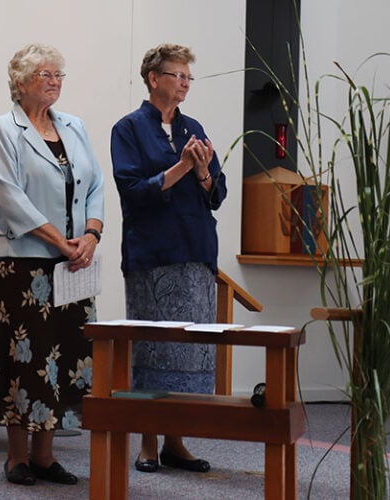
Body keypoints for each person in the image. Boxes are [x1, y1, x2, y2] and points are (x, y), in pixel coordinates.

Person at [0, 43, 104, 486]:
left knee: (64, 355)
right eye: (45, 74)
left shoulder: (75, 127)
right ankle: (16, 456)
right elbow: (9, 196)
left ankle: (45, 456)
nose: (54, 81)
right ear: (20, 82)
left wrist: (91, 235)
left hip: (72, 263)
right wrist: (60, 241)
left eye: (58, 74)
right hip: (19, 264)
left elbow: (96, 184)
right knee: (23, 358)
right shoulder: (3, 130)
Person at [110, 43, 227, 474]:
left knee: (190, 352)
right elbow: (132, 192)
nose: (184, 83)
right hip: (152, 255)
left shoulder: (193, 127)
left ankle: (177, 441)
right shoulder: (128, 129)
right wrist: (180, 168)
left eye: (188, 77)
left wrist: (202, 171)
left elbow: (217, 192)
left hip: (195, 253)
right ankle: (147, 443)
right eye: (178, 75)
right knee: (153, 350)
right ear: (153, 78)